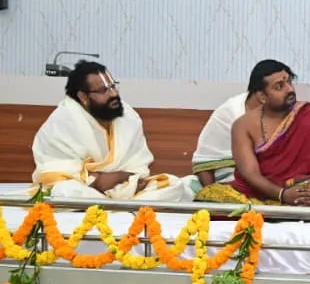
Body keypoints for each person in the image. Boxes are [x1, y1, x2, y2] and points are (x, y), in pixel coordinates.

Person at [195, 60, 310, 206]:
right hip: (257, 193)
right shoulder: (242, 126)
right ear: (262, 96)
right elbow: (251, 174)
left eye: (289, 82)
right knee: (210, 195)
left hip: (300, 185)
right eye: (279, 86)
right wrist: (283, 195)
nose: (289, 89)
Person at [32, 61, 191, 201]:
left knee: (174, 185)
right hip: (84, 188)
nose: (114, 94)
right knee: (64, 192)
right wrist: (95, 180)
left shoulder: (128, 116)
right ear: (83, 97)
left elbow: (138, 164)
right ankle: (118, 205)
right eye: (103, 90)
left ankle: (109, 205)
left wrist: (119, 177)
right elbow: (52, 170)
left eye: (113, 86)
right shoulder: (65, 119)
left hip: (123, 185)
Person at [190, 92, 260, 192]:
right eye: (278, 87)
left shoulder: (282, 114)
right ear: (261, 94)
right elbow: (204, 162)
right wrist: (211, 195)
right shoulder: (230, 112)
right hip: (229, 184)